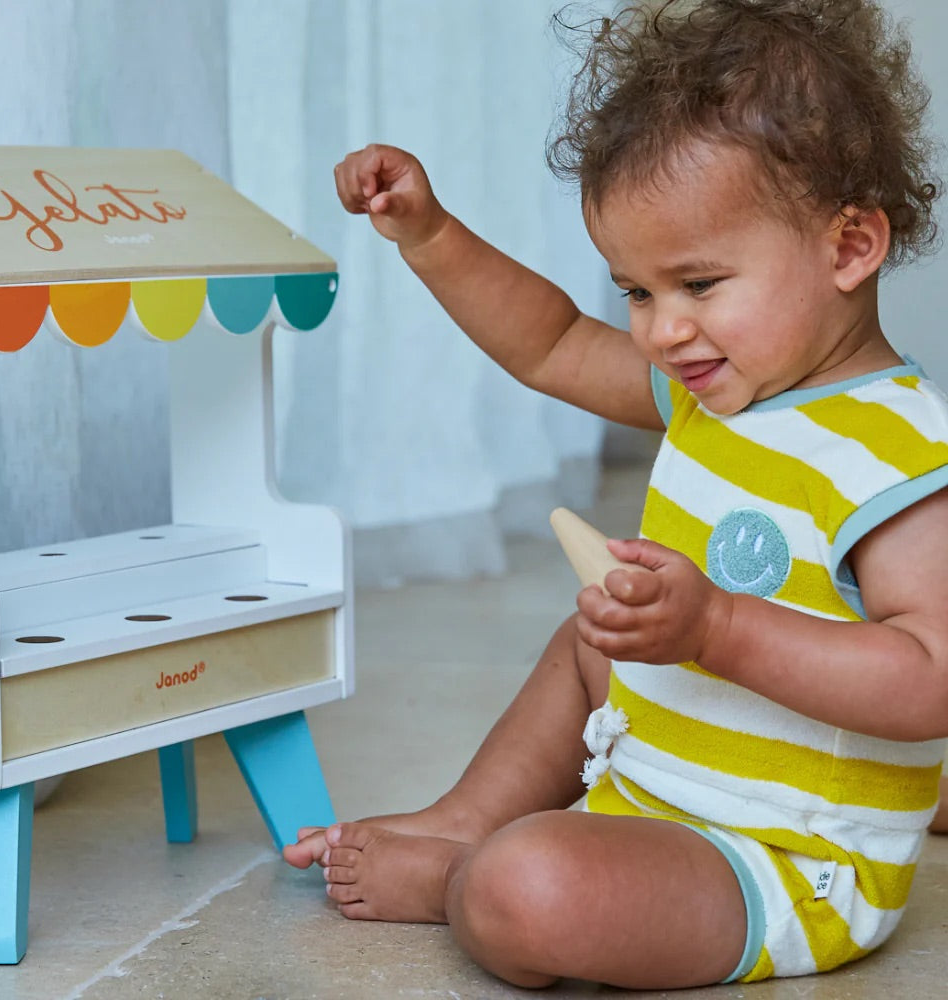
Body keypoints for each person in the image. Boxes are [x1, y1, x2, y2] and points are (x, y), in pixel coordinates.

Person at [284, 0, 948, 989]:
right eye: (637, 291)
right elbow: (549, 342)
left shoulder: (897, 453)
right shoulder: (716, 391)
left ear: (848, 247)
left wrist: (718, 628)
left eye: (699, 284)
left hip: (781, 860)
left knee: (526, 887)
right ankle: (464, 819)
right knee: (591, 638)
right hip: (661, 779)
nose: (662, 331)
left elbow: (932, 675)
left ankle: (467, 872)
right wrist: (429, 235)